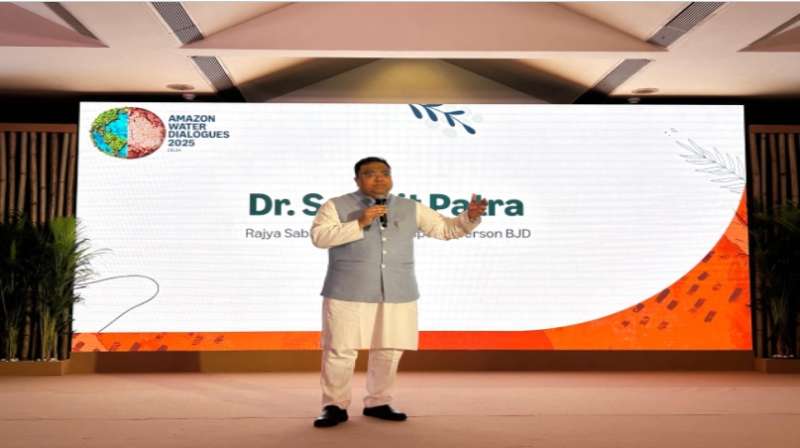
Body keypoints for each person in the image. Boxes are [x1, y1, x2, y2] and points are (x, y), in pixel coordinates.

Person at [310, 156, 487, 428]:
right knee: (340, 349)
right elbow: (320, 238)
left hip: (398, 289)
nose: (379, 178)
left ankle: (378, 402)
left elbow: (445, 229)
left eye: (385, 173)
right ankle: (334, 406)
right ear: (357, 179)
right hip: (347, 289)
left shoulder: (410, 207)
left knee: (389, 348)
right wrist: (359, 222)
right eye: (370, 173)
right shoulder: (335, 205)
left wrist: (470, 217)